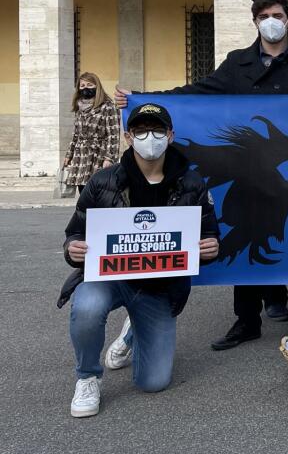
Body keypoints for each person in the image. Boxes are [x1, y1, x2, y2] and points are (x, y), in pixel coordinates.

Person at [116, 0, 288, 349]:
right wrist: (143, 98)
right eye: (264, 17)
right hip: (246, 175)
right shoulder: (238, 62)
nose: (271, 22)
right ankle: (246, 321)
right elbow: (196, 92)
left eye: (277, 15)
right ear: (255, 23)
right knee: (245, 243)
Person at [59, 103, 221, 417]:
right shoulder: (103, 182)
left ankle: (132, 329)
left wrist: (211, 247)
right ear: (129, 136)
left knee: (154, 381)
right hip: (109, 279)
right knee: (87, 307)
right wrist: (73, 248)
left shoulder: (192, 184)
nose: (151, 137)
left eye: (158, 130)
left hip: (159, 289)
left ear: (170, 135)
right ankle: (87, 377)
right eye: (141, 130)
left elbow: (209, 234)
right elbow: (75, 232)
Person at [63, 72, 121, 194]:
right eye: (82, 85)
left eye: (89, 84)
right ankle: (85, 213)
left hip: (99, 155)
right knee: (83, 192)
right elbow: (76, 134)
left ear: (97, 86)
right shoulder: (79, 108)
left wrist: (109, 158)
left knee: (98, 190)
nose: (86, 88)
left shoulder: (108, 106)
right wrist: (69, 155)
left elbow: (113, 134)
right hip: (80, 156)